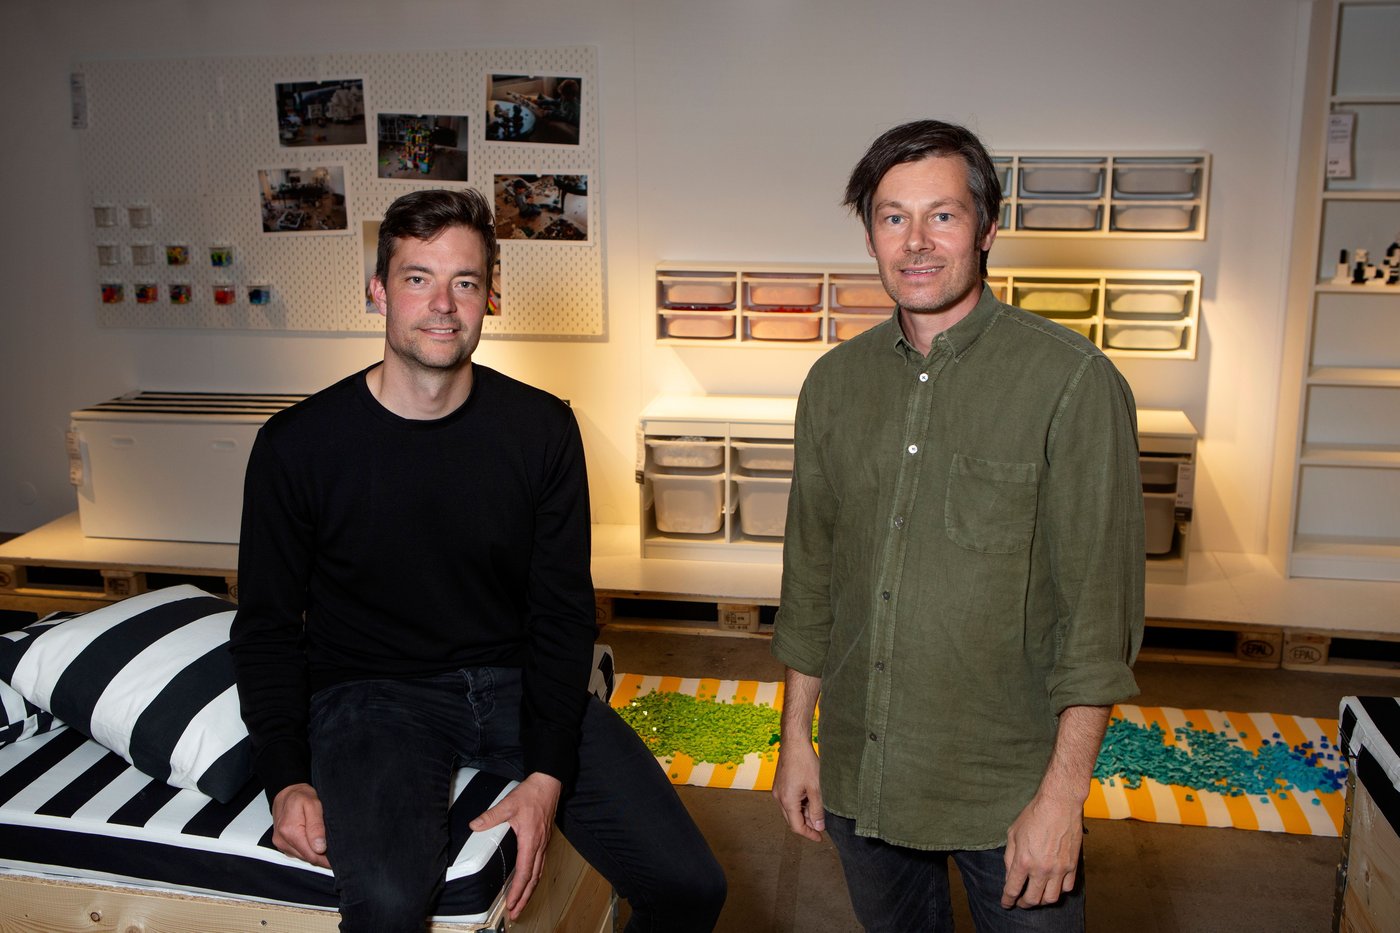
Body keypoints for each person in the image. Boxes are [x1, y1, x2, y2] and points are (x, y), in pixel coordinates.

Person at [230, 188, 725, 933]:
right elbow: (266, 626)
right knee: (390, 906)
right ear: (378, 292)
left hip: (515, 682)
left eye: (464, 281)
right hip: (374, 693)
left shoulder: (541, 430)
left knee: (693, 885)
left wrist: (546, 775)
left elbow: (562, 614)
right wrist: (286, 776)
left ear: (490, 296)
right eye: (417, 278)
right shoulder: (297, 445)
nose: (442, 304)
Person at [771, 120, 1144, 932]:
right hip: (864, 778)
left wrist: (1062, 798)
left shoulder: (1074, 384)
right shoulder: (832, 385)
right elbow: (811, 578)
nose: (915, 242)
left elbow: (1098, 621)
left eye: (941, 215)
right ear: (869, 232)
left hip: (1007, 794)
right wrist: (796, 737)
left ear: (986, 230)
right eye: (891, 216)